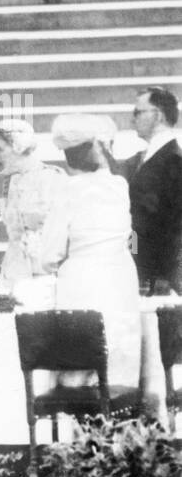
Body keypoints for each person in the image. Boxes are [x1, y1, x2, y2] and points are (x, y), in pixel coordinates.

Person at [40, 114, 141, 393]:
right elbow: (131, 237)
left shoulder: (68, 191)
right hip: (120, 276)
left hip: (82, 281)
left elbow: (49, 253)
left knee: (82, 371)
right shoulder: (119, 186)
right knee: (119, 361)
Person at [0, 119, 66, 292]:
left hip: (47, 274)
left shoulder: (53, 178)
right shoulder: (0, 182)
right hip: (13, 272)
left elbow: (62, 231)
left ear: (18, 147)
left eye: (1, 149)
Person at [124, 86, 182, 294]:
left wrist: (166, 276)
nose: (133, 120)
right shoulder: (144, 158)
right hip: (144, 266)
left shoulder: (175, 161)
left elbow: (175, 225)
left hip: (161, 275)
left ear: (158, 115)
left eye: (138, 113)